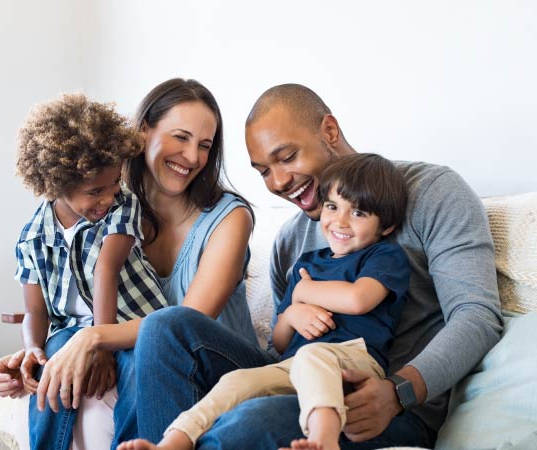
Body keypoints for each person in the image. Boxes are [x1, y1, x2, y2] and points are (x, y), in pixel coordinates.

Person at [131, 83, 503, 449]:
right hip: (298, 379)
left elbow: (476, 315)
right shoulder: (291, 240)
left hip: (386, 405)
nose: (278, 182)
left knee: (248, 422)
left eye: (288, 157)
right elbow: (283, 345)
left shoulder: (432, 191)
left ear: (329, 131)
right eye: (263, 171)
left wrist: (397, 392)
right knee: (166, 327)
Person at [0, 78, 257, 450]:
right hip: (143, 353)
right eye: (181, 137)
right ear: (144, 131)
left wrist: (93, 338)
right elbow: (69, 299)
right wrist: (41, 354)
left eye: (205, 146)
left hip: (217, 365)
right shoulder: (106, 210)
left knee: (156, 340)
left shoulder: (230, 218)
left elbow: (180, 327)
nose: (193, 157)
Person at [119, 153, 410, 450]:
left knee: (314, 357)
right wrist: (292, 314)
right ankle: (170, 443)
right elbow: (281, 341)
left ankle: (324, 441)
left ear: (385, 227)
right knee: (236, 383)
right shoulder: (307, 264)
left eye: (359, 214)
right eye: (333, 207)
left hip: (352, 361)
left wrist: (303, 293)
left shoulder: (383, 255)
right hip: (294, 364)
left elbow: (359, 299)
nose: (340, 221)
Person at [13, 94, 170, 449]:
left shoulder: (121, 205)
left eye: (115, 182)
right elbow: (35, 311)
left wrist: (100, 346)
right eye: (95, 191)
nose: (109, 196)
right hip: (71, 331)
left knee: (137, 367)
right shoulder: (32, 238)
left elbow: (106, 270)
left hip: (131, 323)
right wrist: (31, 349)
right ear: (56, 184)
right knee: (52, 364)